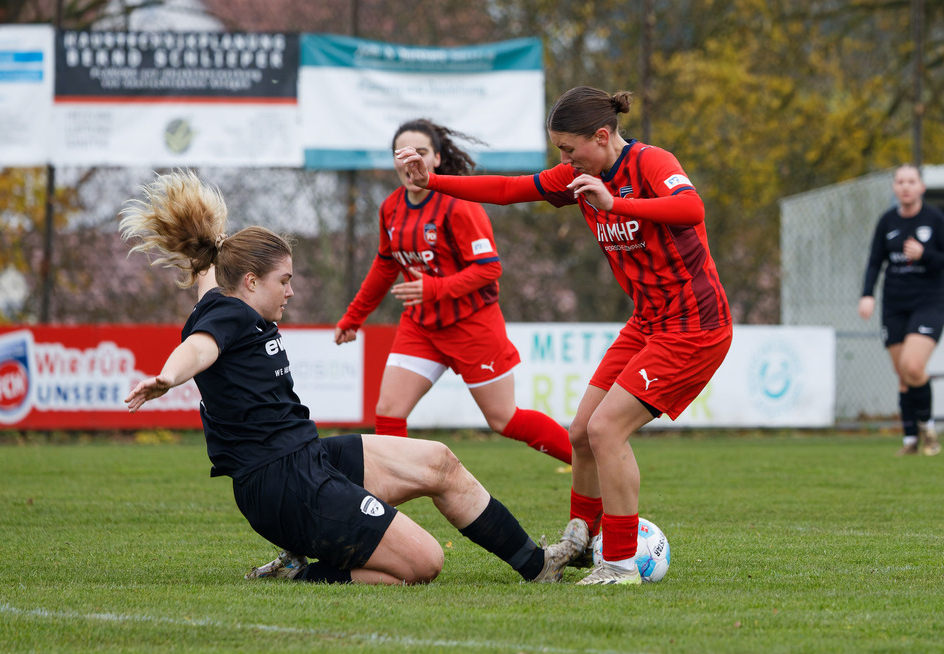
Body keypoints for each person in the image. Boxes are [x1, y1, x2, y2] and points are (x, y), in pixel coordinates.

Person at [117, 169, 585, 586]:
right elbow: (199, 348)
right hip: (281, 486)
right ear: (252, 282)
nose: (292, 290)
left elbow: (207, 269)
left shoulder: (221, 295)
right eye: (284, 280)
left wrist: (205, 237)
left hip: (306, 455)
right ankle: (305, 571)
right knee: (425, 562)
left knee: (439, 461)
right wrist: (168, 377)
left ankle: (538, 565)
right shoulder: (226, 314)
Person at [396, 87, 733, 585]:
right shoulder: (580, 175)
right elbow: (511, 190)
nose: (564, 159)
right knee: (581, 432)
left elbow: (691, 210)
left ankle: (619, 564)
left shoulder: (650, 163)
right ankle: (579, 542)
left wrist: (616, 204)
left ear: (602, 135)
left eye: (568, 148)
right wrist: (436, 181)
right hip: (648, 321)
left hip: (694, 327)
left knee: (606, 430)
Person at [334, 119, 571, 465]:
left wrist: (433, 288)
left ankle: (590, 464)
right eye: (400, 153)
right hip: (422, 326)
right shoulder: (391, 207)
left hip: (472, 324)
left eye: (420, 152)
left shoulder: (458, 203)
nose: (408, 160)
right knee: (388, 411)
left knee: (503, 419)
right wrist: (353, 317)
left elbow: (489, 268)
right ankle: (386, 506)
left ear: (437, 160)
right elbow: (386, 265)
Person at [858, 163, 944, 457]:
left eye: (911, 181)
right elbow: (875, 262)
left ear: (921, 187)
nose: (905, 186)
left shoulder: (935, 219)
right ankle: (909, 441)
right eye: (900, 181)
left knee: (913, 366)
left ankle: (927, 427)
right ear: (894, 187)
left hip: (928, 304)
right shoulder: (887, 221)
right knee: (902, 374)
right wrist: (867, 294)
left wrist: (925, 254)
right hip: (894, 305)